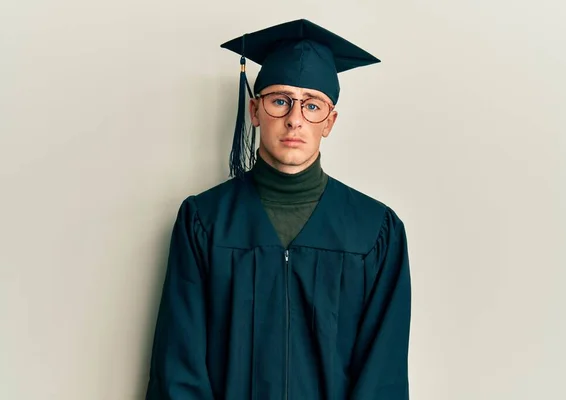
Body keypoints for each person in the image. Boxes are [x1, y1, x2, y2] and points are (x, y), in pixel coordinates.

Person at [145, 19, 411, 400]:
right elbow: (178, 365)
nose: (295, 119)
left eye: (312, 105)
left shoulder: (375, 231)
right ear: (254, 110)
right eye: (280, 100)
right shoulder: (204, 221)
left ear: (330, 122)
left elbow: (382, 375)